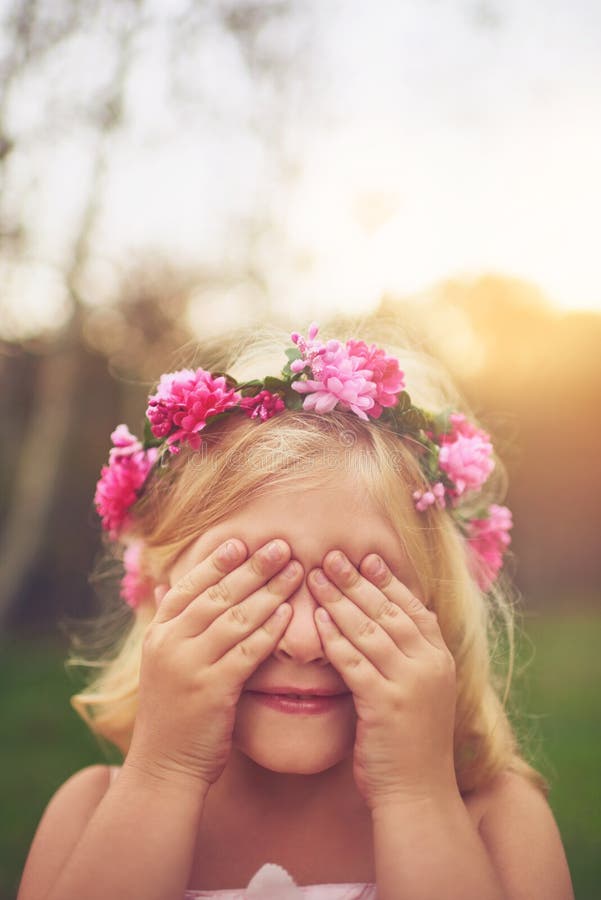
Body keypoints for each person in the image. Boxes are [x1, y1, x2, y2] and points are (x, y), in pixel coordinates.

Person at [17, 319, 574, 900]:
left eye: (359, 586)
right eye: (254, 583)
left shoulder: (498, 824)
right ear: (160, 592)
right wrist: (164, 776)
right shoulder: (87, 813)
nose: (304, 641)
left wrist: (416, 795)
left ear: (435, 604)